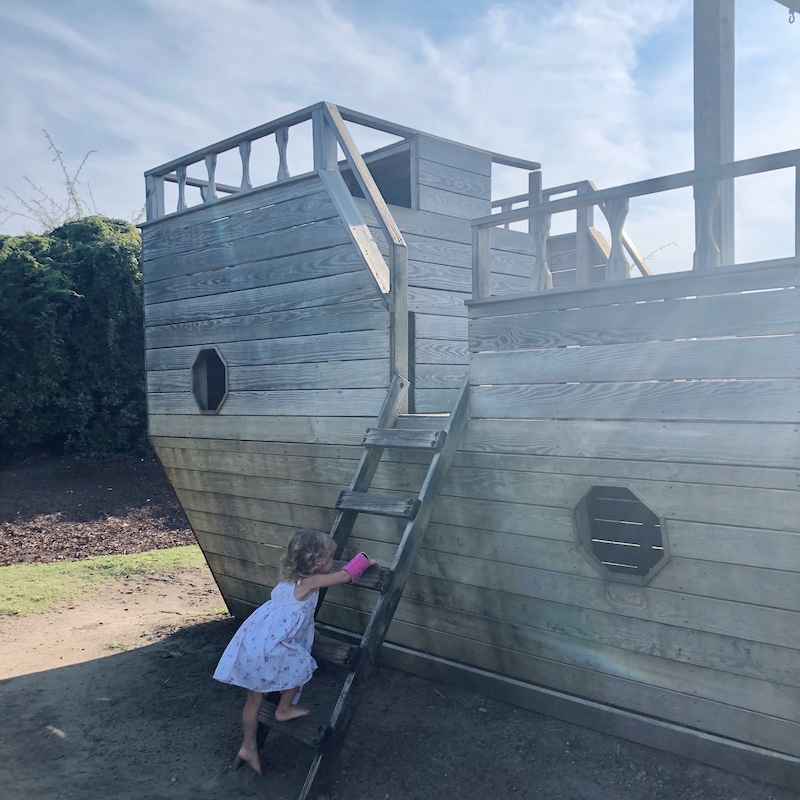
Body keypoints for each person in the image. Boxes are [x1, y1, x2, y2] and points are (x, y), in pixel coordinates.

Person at [213, 527, 377, 775]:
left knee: (253, 701)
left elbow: (293, 615)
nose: (332, 562)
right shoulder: (311, 582)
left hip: (253, 642)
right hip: (269, 647)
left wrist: (311, 631)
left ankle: (248, 746)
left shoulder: (286, 583)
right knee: (300, 664)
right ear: (317, 561)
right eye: (329, 558)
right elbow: (345, 576)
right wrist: (366, 560)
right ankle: (283, 709)